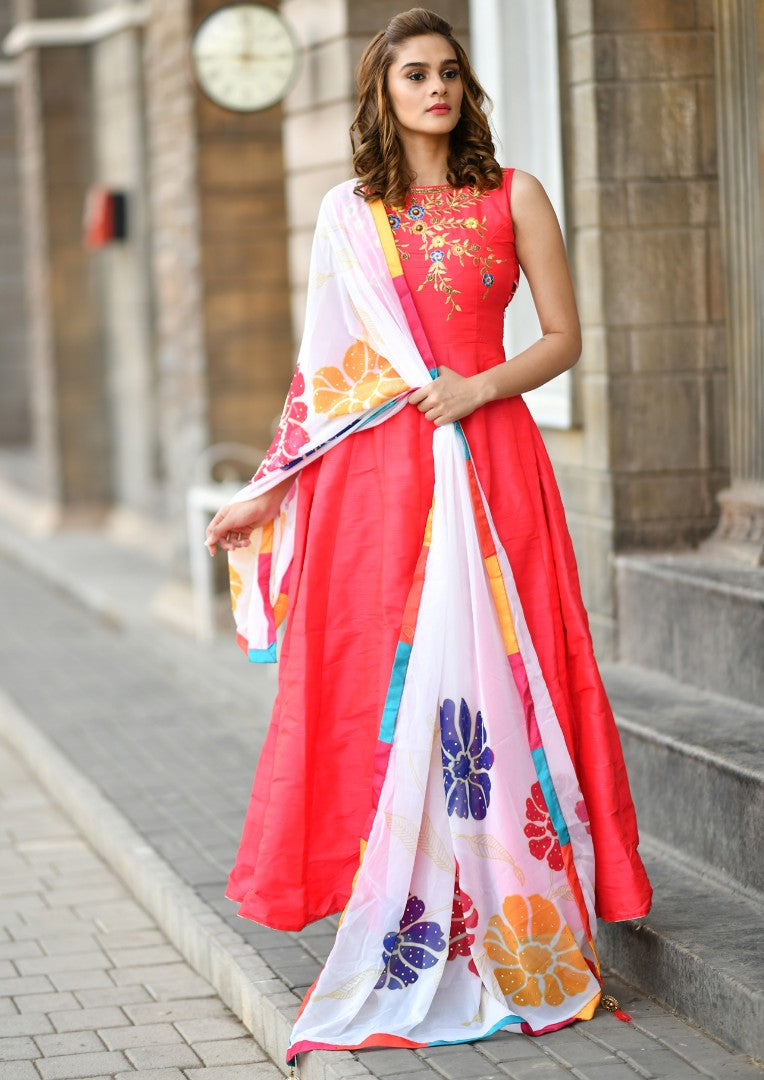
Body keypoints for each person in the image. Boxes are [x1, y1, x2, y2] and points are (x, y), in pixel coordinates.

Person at [206, 6, 651, 1066]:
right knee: (394, 686)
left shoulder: (515, 195)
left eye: (449, 71)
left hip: (492, 459)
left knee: (513, 665)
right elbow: (327, 376)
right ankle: (416, 911)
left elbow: (563, 337)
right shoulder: (350, 214)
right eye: (413, 74)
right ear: (383, 92)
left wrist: (479, 387)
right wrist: (269, 489)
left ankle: (522, 917)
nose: (436, 88)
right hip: (380, 479)